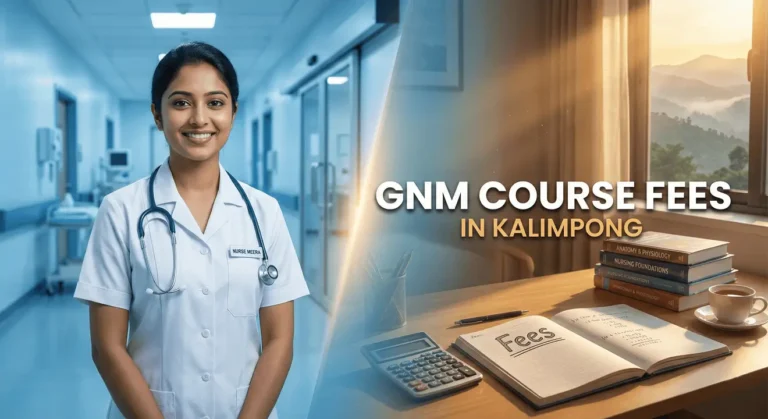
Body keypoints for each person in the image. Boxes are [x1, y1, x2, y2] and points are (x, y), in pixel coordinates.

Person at [74, 42, 309, 419]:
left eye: (215, 103)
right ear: (157, 114)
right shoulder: (121, 210)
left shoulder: (265, 212)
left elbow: (280, 340)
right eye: (181, 103)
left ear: (234, 111)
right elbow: (107, 346)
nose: (199, 118)